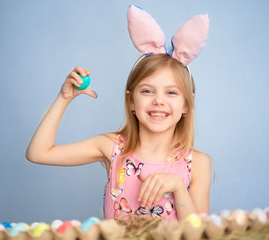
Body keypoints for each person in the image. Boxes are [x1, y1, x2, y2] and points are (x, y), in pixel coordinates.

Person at [26, 5, 211, 221]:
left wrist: (178, 187)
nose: (158, 100)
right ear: (131, 101)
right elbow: (38, 153)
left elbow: (201, 234)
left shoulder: (197, 163)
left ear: (187, 105)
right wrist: (64, 98)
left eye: (171, 92)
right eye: (147, 91)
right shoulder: (113, 148)